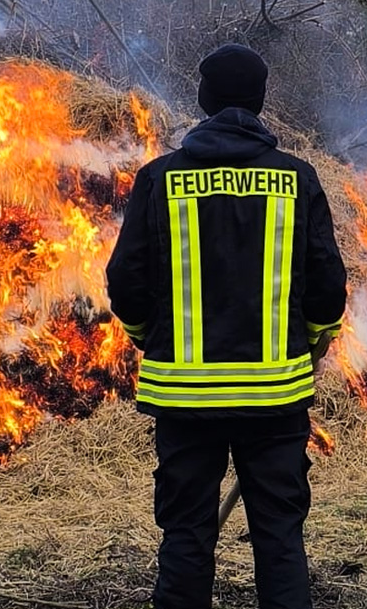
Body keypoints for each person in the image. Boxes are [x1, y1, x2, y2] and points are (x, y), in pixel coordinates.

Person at [105, 43, 349, 609]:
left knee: (186, 535)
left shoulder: (157, 178)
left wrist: (147, 337)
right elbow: (327, 286)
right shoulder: (297, 178)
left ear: (204, 99)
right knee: (280, 538)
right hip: (275, 396)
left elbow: (125, 282)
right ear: (260, 103)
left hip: (184, 397)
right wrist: (316, 338)